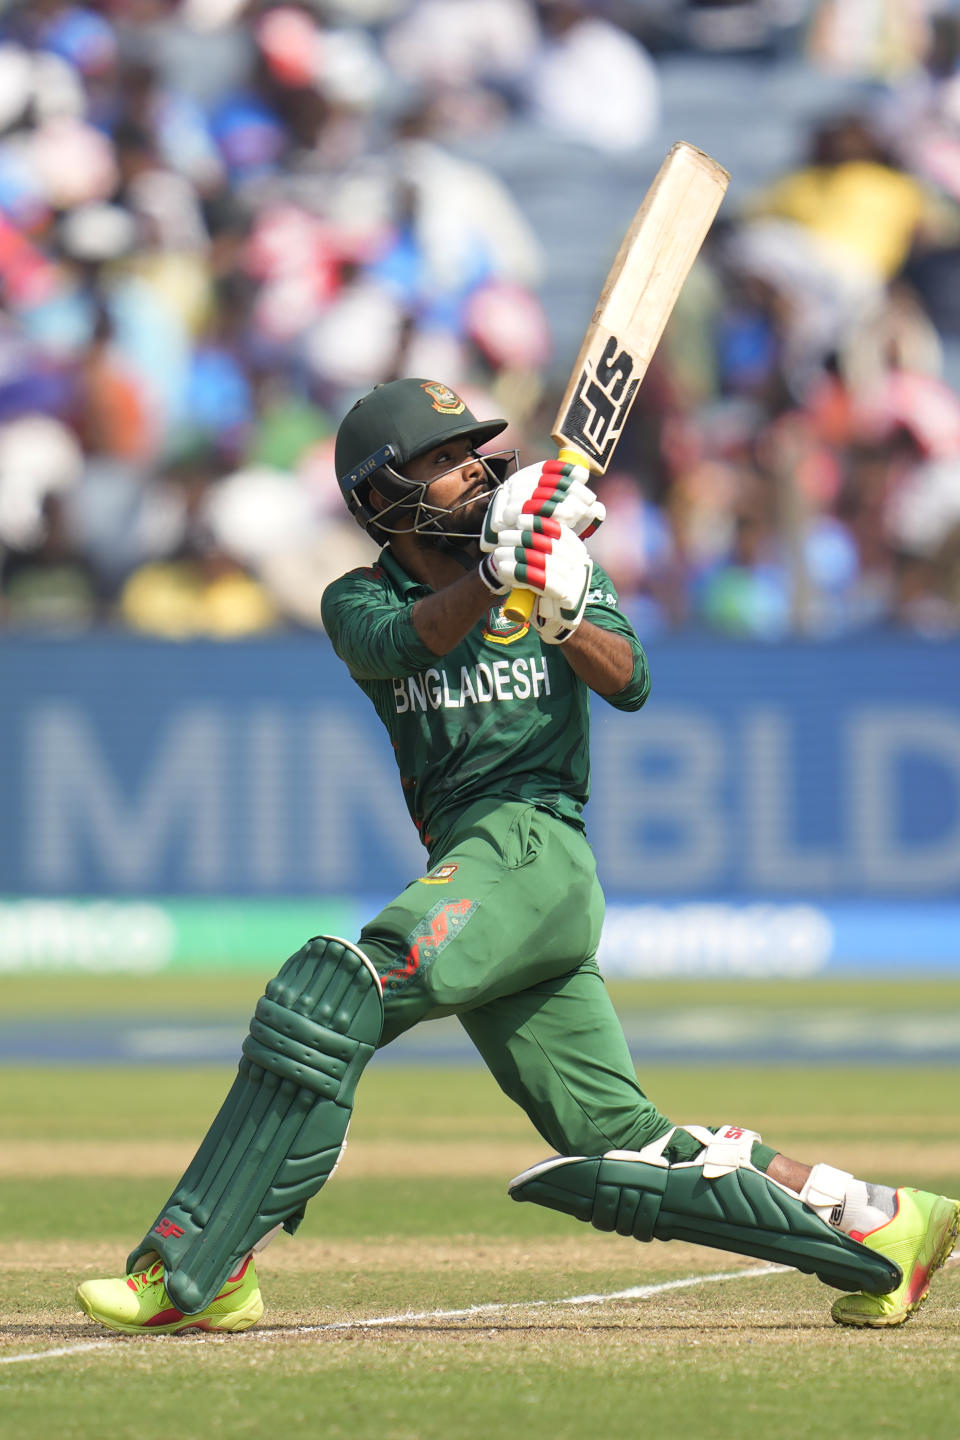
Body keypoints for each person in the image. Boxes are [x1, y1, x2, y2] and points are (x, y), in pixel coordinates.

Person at [76, 378, 959, 1336]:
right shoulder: (358, 598)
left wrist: (565, 607)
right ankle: (880, 1225)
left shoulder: (553, 557)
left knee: (333, 996)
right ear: (383, 497)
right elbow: (406, 643)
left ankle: (197, 1266)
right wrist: (498, 577)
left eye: (477, 453)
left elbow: (633, 684)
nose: (476, 467)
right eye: (446, 461)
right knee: (626, 1145)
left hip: (536, 846)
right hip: (484, 871)